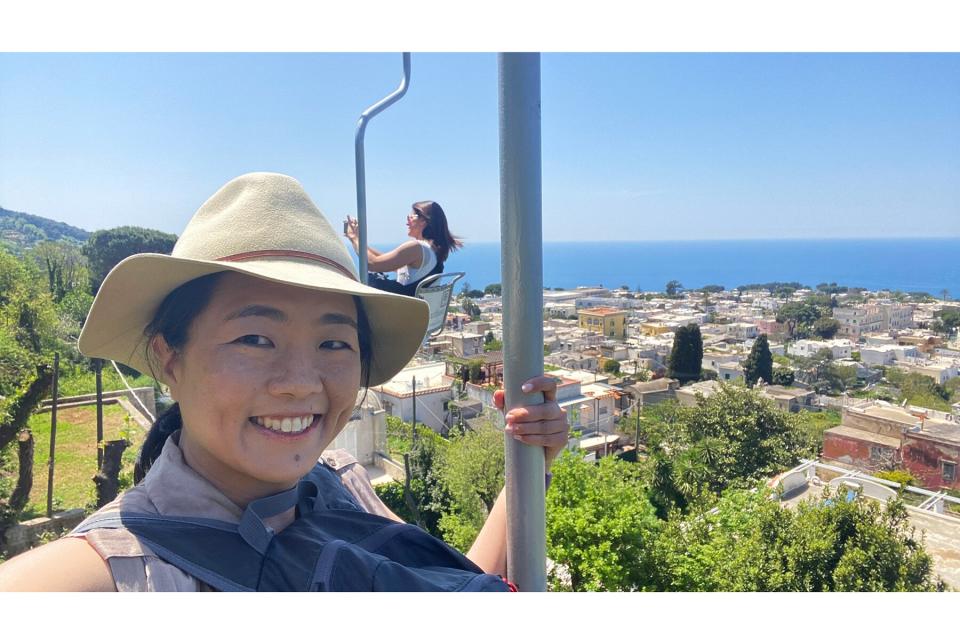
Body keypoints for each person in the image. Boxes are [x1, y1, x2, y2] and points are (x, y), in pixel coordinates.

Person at [0, 173, 567, 591]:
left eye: (333, 343)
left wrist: (529, 461)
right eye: (254, 339)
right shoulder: (125, 569)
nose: (300, 383)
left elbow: (451, 583)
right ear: (169, 357)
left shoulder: (338, 481)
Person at [344, 200, 462, 296]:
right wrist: (359, 241)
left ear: (423, 221)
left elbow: (372, 263)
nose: (408, 218)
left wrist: (354, 238)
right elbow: (382, 260)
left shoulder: (417, 248)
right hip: (413, 312)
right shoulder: (432, 250)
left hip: (401, 314)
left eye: (412, 215)